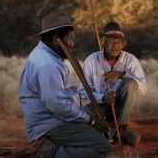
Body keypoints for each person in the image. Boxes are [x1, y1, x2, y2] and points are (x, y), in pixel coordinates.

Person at [18, 11, 111, 158]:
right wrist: (91, 121)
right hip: (49, 124)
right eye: (70, 38)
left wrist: (89, 116)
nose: (72, 44)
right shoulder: (48, 65)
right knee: (102, 146)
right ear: (56, 39)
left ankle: (52, 146)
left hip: (56, 118)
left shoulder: (47, 55)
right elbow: (57, 105)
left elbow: (64, 98)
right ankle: (50, 153)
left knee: (101, 132)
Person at [82, 21, 147, 146]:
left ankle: (121, 128)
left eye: (118, 42)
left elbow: (143, 88)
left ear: (123, 44)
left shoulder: (131, 60)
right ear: (103, 42)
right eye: (110, 41)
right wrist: (102, 98)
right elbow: (82, 91)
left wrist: (122, 75)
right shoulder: (91, 60)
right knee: (83, 116)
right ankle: (112, 133)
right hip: (99, 107)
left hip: (120, 109)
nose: (115, 45)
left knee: (131, 83)